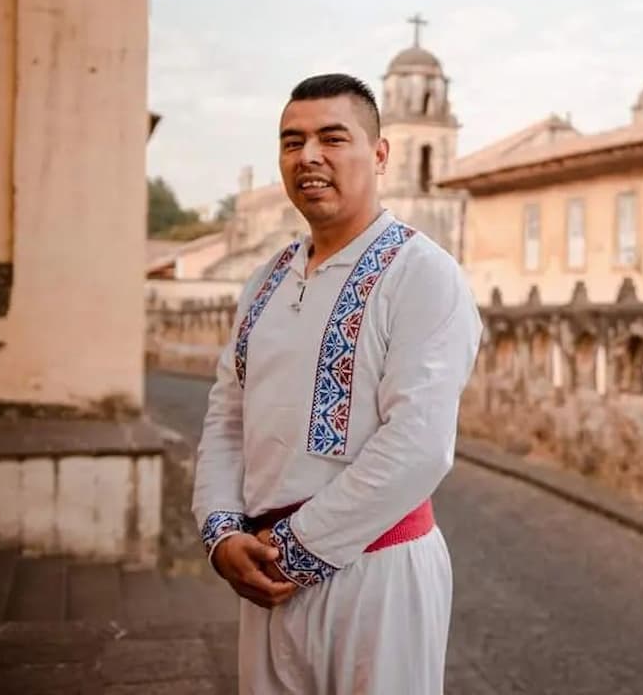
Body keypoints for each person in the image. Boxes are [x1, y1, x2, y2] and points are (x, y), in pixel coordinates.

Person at [192, 73, 482, 694]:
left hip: (375, 577)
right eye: (291, 142)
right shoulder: (266, 279)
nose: (310, 157)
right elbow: (227, 416)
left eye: (332, 137)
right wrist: (221, 532)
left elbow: (418, 445)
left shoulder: (422, 274)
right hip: (265, 578)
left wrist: (295, 552)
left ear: (379, 154)